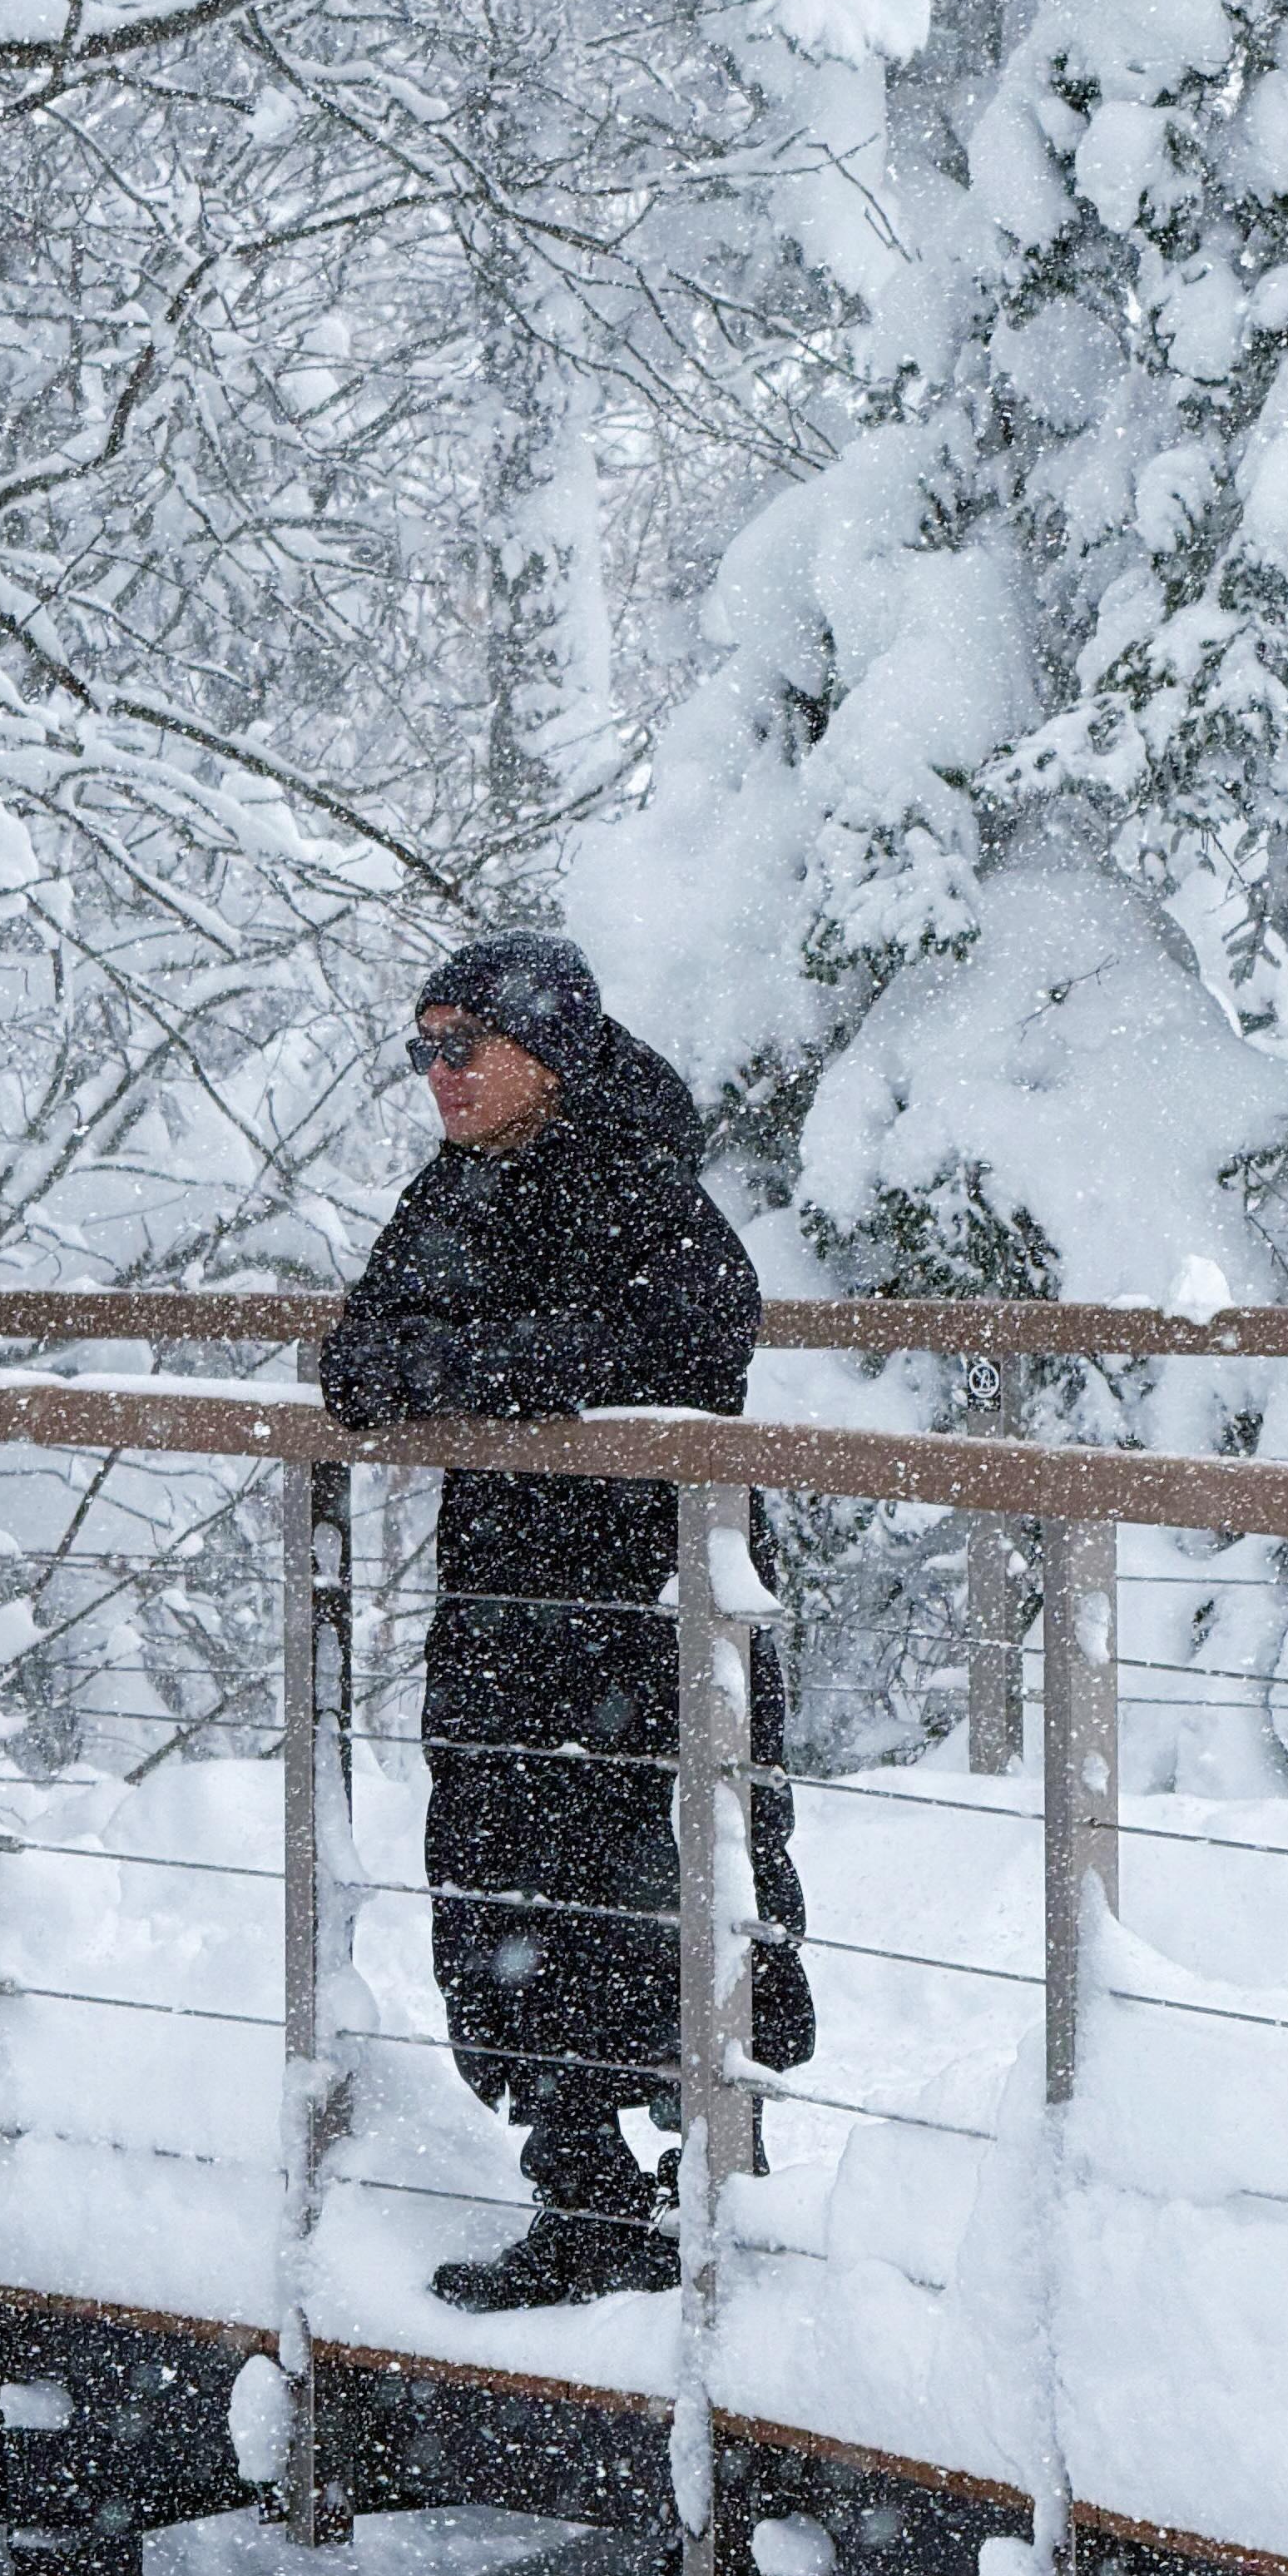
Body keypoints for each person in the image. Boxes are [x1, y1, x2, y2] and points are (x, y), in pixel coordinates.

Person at [320, 930, 813, 2312]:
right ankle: (586, 2189)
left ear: (541, 1048)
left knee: (660, 1857)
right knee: (497, 1860)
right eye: (423, 1049)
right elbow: (360, 1354)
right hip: (508, 1594)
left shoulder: (632, 1168)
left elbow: (693, 1335)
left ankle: (703, 2177)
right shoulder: (461, 1183)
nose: (438, 1075)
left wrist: (473, 1370)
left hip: (645, 1597)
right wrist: (484, 1369)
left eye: (461, 1045)